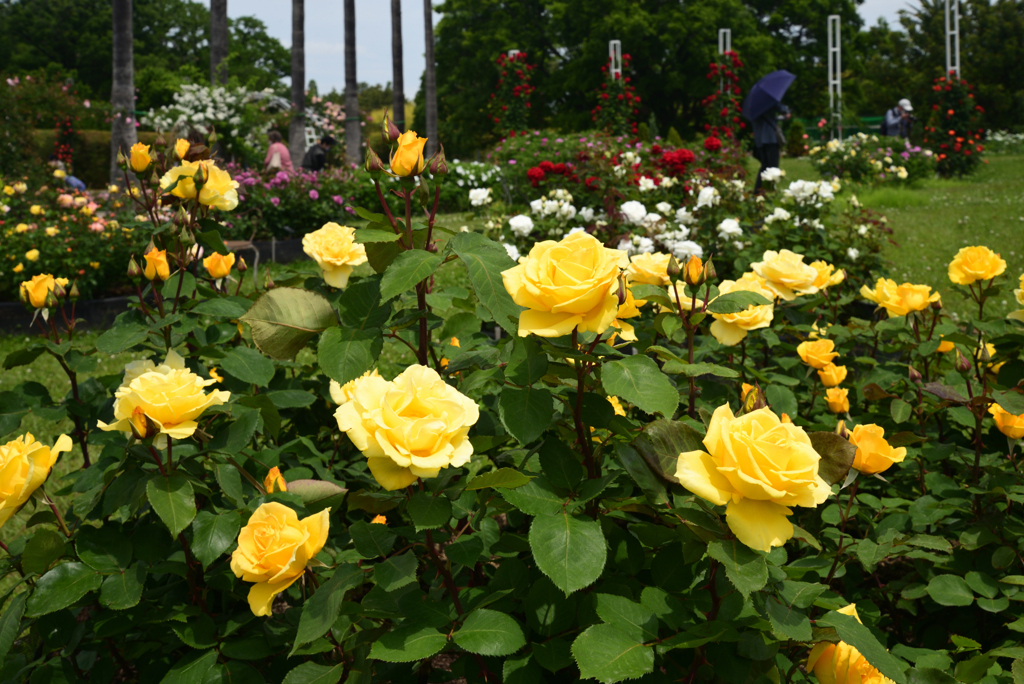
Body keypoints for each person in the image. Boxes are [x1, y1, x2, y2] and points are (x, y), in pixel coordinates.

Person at [752, 103, 789, 191]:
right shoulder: (769, 100)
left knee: (765, 167)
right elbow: (782, 109)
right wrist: (786, 111)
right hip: (770, 138)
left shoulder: (755, 103)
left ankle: (759, 190)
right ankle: (767, 190)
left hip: (760, 138)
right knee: (772, 167)